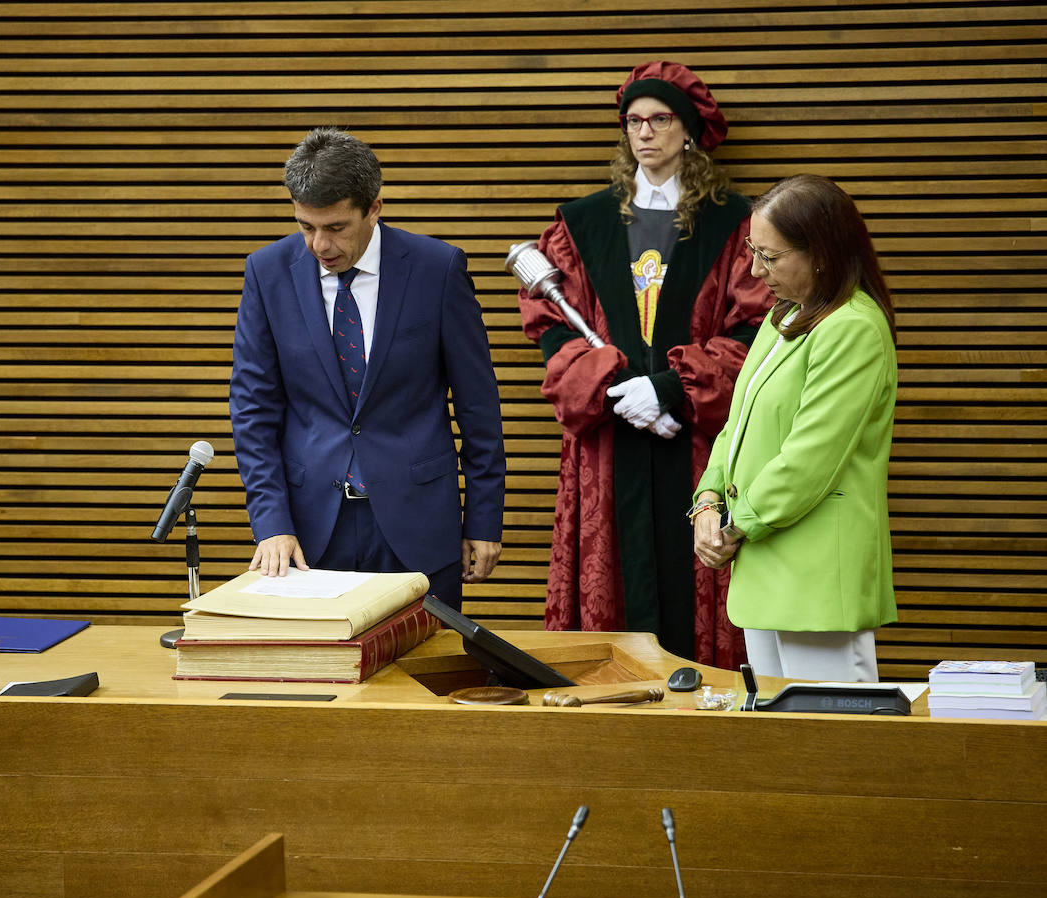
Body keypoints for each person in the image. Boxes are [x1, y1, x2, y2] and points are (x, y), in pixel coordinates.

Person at [518, 61, 771, 665]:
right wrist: (612, 387)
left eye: (660, 119)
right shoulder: (583, 223)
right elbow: (551, 325)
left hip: (699, 442)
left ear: (689, 130)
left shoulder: (737, 224)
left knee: (696, 593)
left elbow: (755, 328)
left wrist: (671, 391)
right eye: (633, 121)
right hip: (611, 445)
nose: (645, 133)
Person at [230, 127, 505, 611]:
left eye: (336, 227)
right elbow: (253, 412)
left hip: (419, 524)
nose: (319, 243)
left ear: (374, 207)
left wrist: (483, 520)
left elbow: (477, 405)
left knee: (425, 681)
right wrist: (271, 522)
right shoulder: (266, 272)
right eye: (306, 226)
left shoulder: (436, 269)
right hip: (310, 533)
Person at [692, 174, 898, 682]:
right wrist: (707, 502)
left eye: (771, 256)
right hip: (765, 563)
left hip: (817, 577)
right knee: (783, 747)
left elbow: (810, 458)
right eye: (751, 250)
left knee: (834, 750)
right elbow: (735, 425)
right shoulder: (782, 317)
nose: (755, 270)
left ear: (821, 253)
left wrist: (736, 527)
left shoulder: (852, 327)